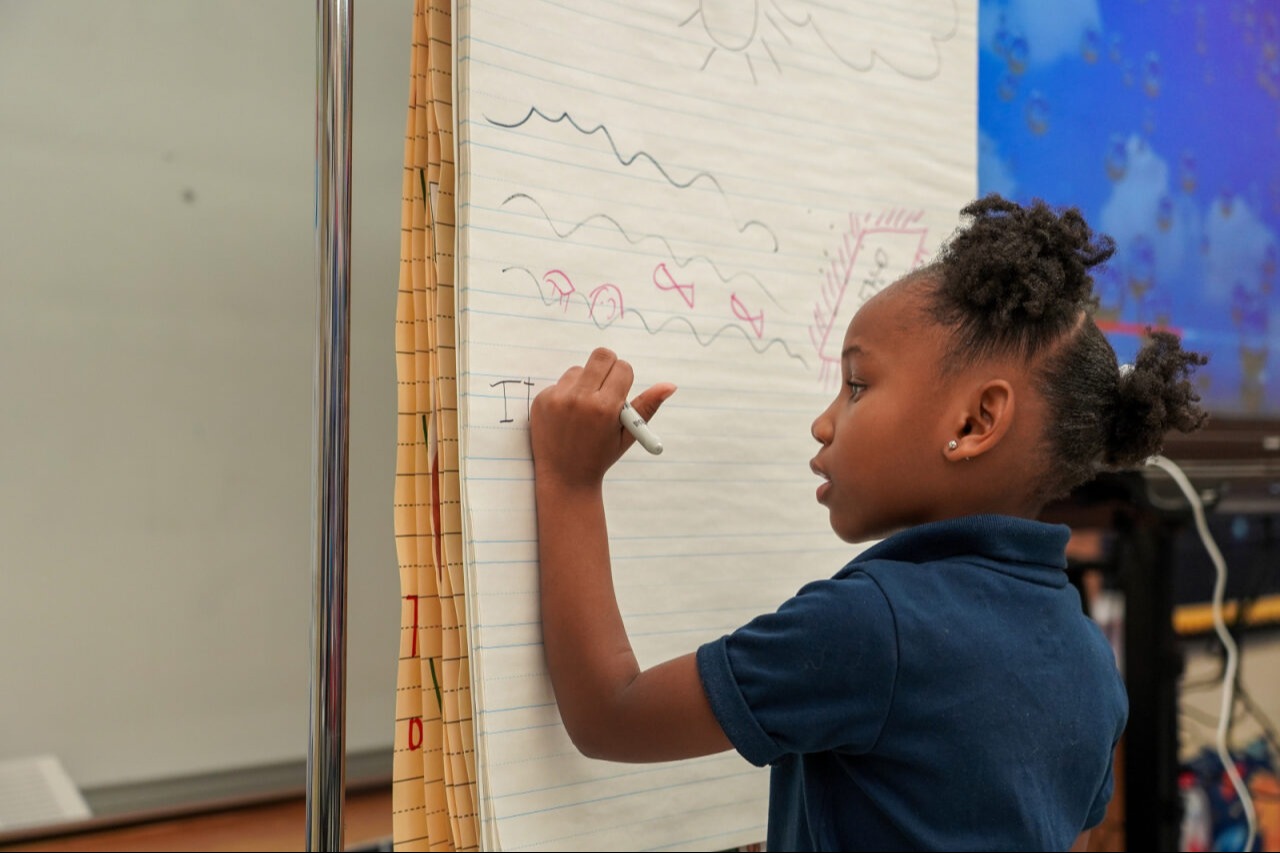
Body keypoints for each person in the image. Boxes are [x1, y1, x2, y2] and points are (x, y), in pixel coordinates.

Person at [528, 193, 1208, 852]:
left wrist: (571, 479)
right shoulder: (1090, 658)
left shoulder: (869, 626)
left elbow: (610, 711)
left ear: (974, 422)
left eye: (856, 384)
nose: (824, 421)